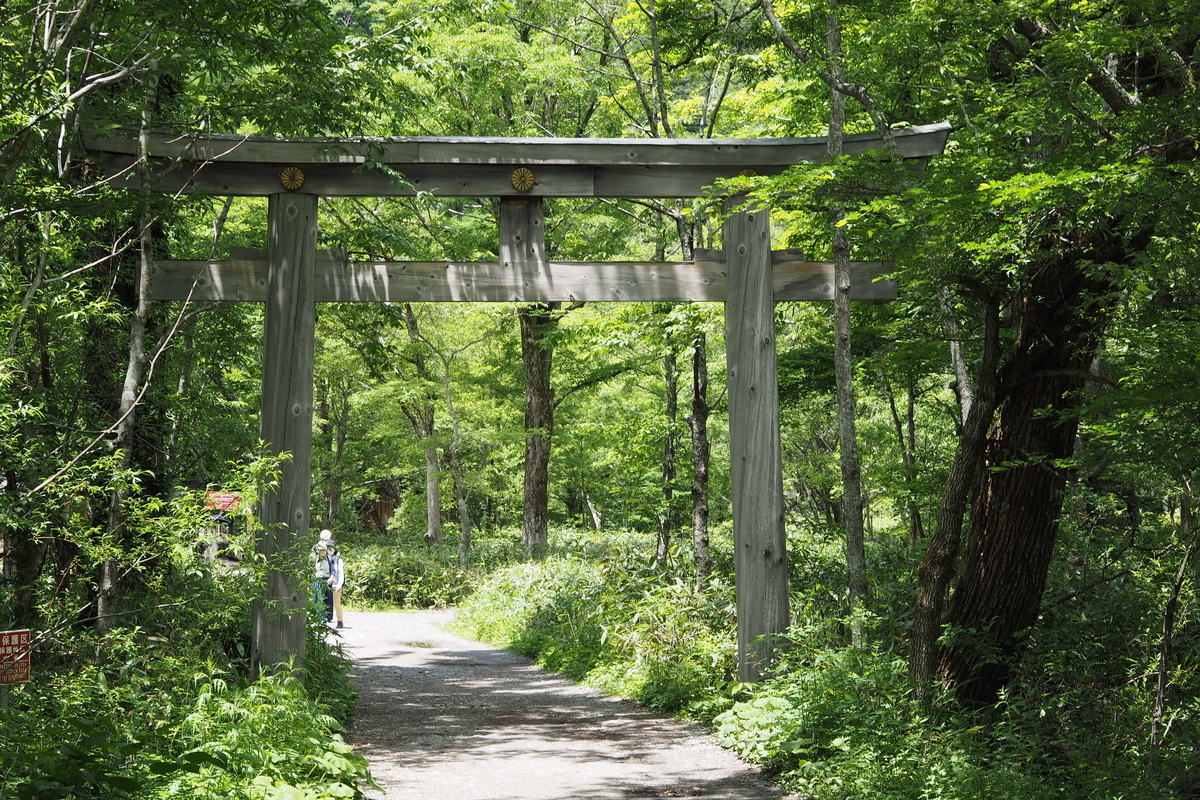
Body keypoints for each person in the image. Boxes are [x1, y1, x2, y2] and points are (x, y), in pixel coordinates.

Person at [312, 538, 335, 623]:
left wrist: (331, 577)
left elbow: (333, 570)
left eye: (324, 550)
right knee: (318, 598)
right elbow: (311, 570)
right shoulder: (314, 559)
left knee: (328, 598)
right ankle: (318, 616)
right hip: (317, 579)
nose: (322, 551)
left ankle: (328, 617)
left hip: (327, 579)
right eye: (320, 550)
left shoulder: (330, 558)